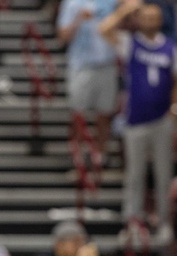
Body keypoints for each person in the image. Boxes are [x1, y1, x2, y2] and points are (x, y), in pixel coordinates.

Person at [100, 0, 177, 243]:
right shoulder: (131, 43)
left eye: (154, 17)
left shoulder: (170, 47)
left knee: (163, 175)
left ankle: (165, 224)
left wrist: (175, 109)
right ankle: (132, 223)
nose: (149, 21)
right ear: (139, 20)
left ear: (160, 21)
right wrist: (126, 10)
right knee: (135, 176)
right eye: (145, 17)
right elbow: (104, 30)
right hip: (135, 120)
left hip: (161, 120)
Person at [57, 0, 119, 153]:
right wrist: (78, 19)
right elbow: (63, 37)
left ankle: (100, 155)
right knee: (78, 114)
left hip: (107, 65)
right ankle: (77, 156)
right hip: (81, 66)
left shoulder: (112, 2)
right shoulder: (72, 4)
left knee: (105, 114)